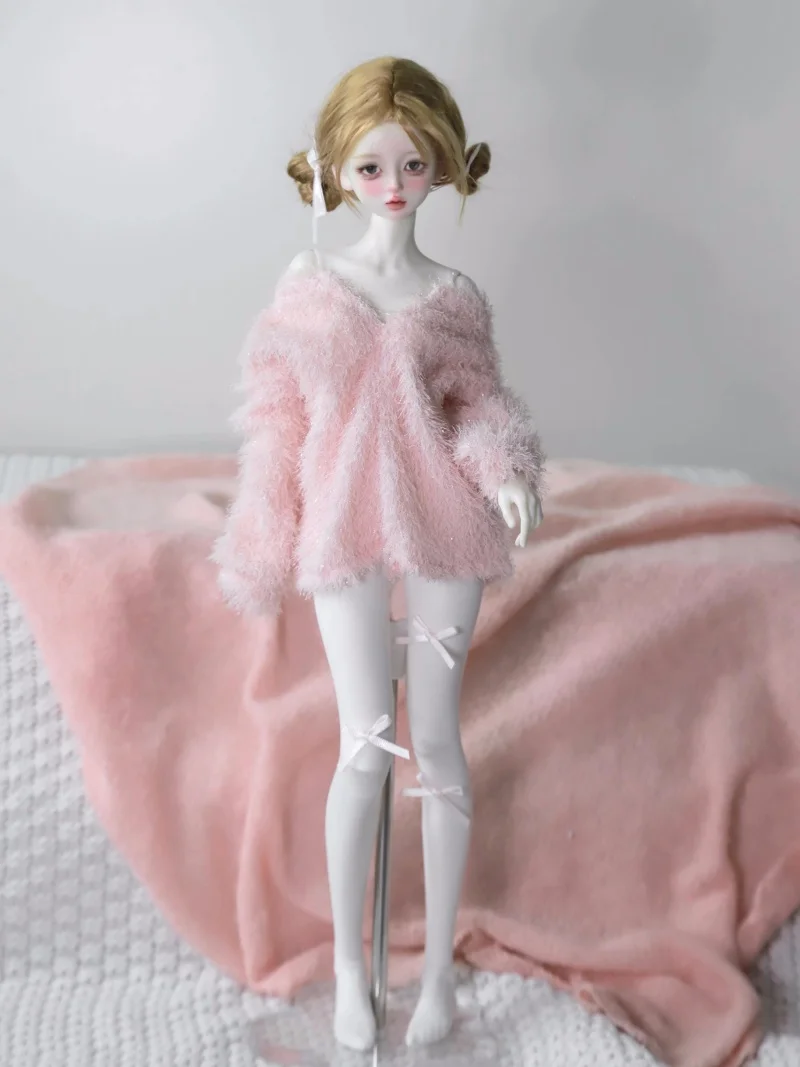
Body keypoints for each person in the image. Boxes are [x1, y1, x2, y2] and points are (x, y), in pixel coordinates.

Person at [212, 55, 545, 1051]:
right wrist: (263, 524)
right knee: (364, 743)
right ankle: (353, 974)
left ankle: (436, 973)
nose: (393, 184)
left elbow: (476, 405)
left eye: (411, 163)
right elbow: (276, 415)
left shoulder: (451, 295)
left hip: (445, 526)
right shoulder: (311, 282)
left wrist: (504, 468)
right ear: (335, 171)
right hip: (342, 528)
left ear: (442, 164)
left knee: (435, 745)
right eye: (369, 166)